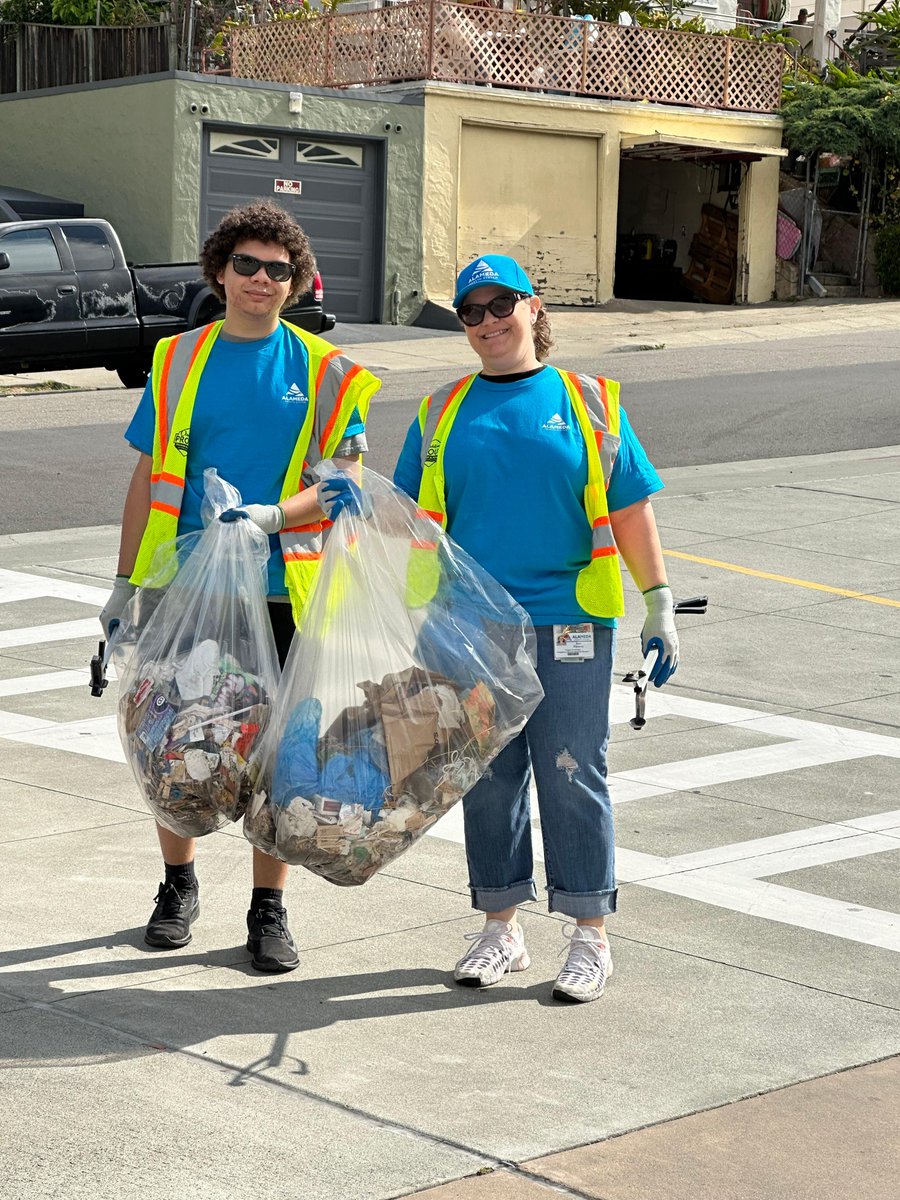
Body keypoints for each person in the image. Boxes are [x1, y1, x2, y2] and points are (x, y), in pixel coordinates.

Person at [100, 200, 380, 972]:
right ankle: (177, 887)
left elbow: (344, 483)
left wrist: (269, 516)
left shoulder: (325, 373)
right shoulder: (177, 359)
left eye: (278, 269)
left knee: (279, 752)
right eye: (247, 265)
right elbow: (147, 475)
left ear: (297, 282)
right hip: (187, 588)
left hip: (285, 588)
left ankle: (268, 908)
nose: (262, 279)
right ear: (219, 272)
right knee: (177, 741)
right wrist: (124, 583)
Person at [393, 255, 679, 1004]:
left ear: (533, 307)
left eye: (501, 305)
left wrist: (660, 601)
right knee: (488, 780)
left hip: (571, 621)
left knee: (573, 772)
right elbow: (406, 519)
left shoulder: (590, 401)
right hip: (471, 625)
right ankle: (501, 929)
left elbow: (630, 507)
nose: (488, 322)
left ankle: (589, 936)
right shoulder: (439, 413)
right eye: (471, 312)